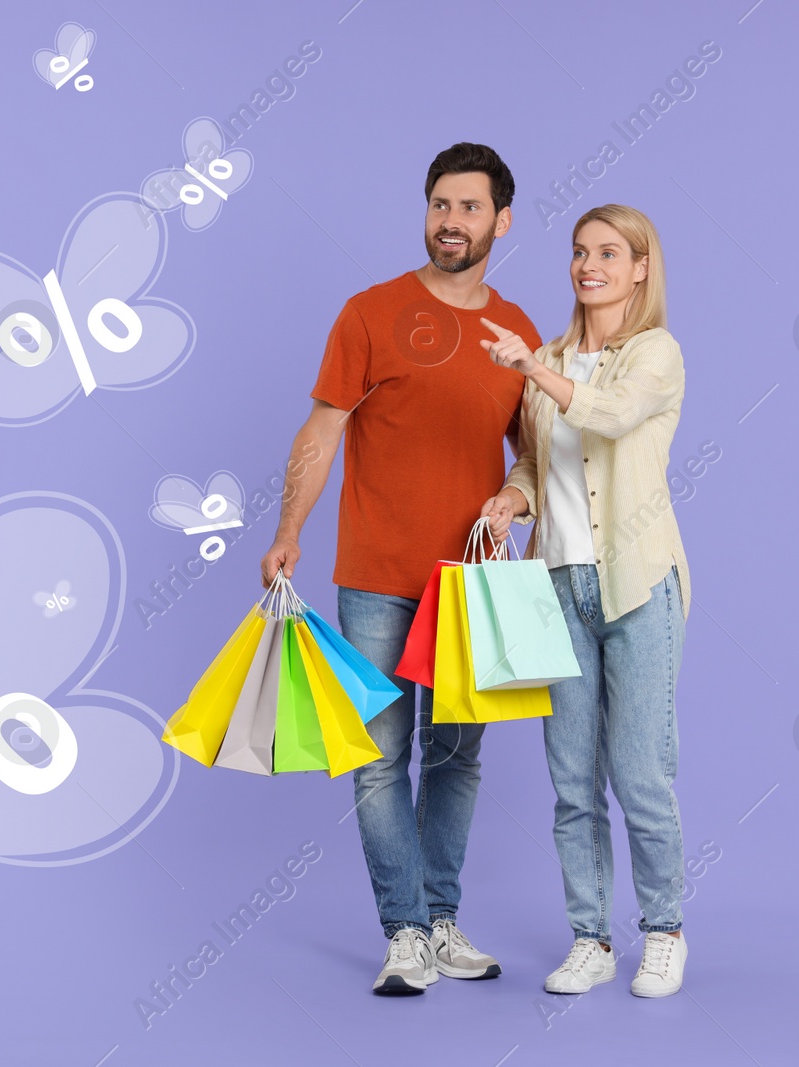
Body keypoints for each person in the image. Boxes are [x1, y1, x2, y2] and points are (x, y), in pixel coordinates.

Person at [260, 143, 541, 994]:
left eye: (468, 207)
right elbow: (321, 431)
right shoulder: (370, 313)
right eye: (439, 205)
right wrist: (288, 528)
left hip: (474, 583)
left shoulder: (519, 333)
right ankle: (406, 931)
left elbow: (534, 460)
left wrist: (516, 506)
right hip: (376, 571)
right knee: (380, 756)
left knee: (456, 755)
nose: (451, 221)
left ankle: (442, 917)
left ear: (502, 220)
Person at [479, 203, 693, 998]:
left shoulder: (655, 355)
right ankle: (590, 939)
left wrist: (533, 372)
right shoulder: (554, 356)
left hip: (635, 583)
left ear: (641, 267)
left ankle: (664, 931)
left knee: (640, 773)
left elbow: (611, 416)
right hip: (555, 588)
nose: (587, 264)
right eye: (578, 252)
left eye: (608, 252)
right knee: (571, 779)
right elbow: (539, 462)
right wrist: (511, 498)